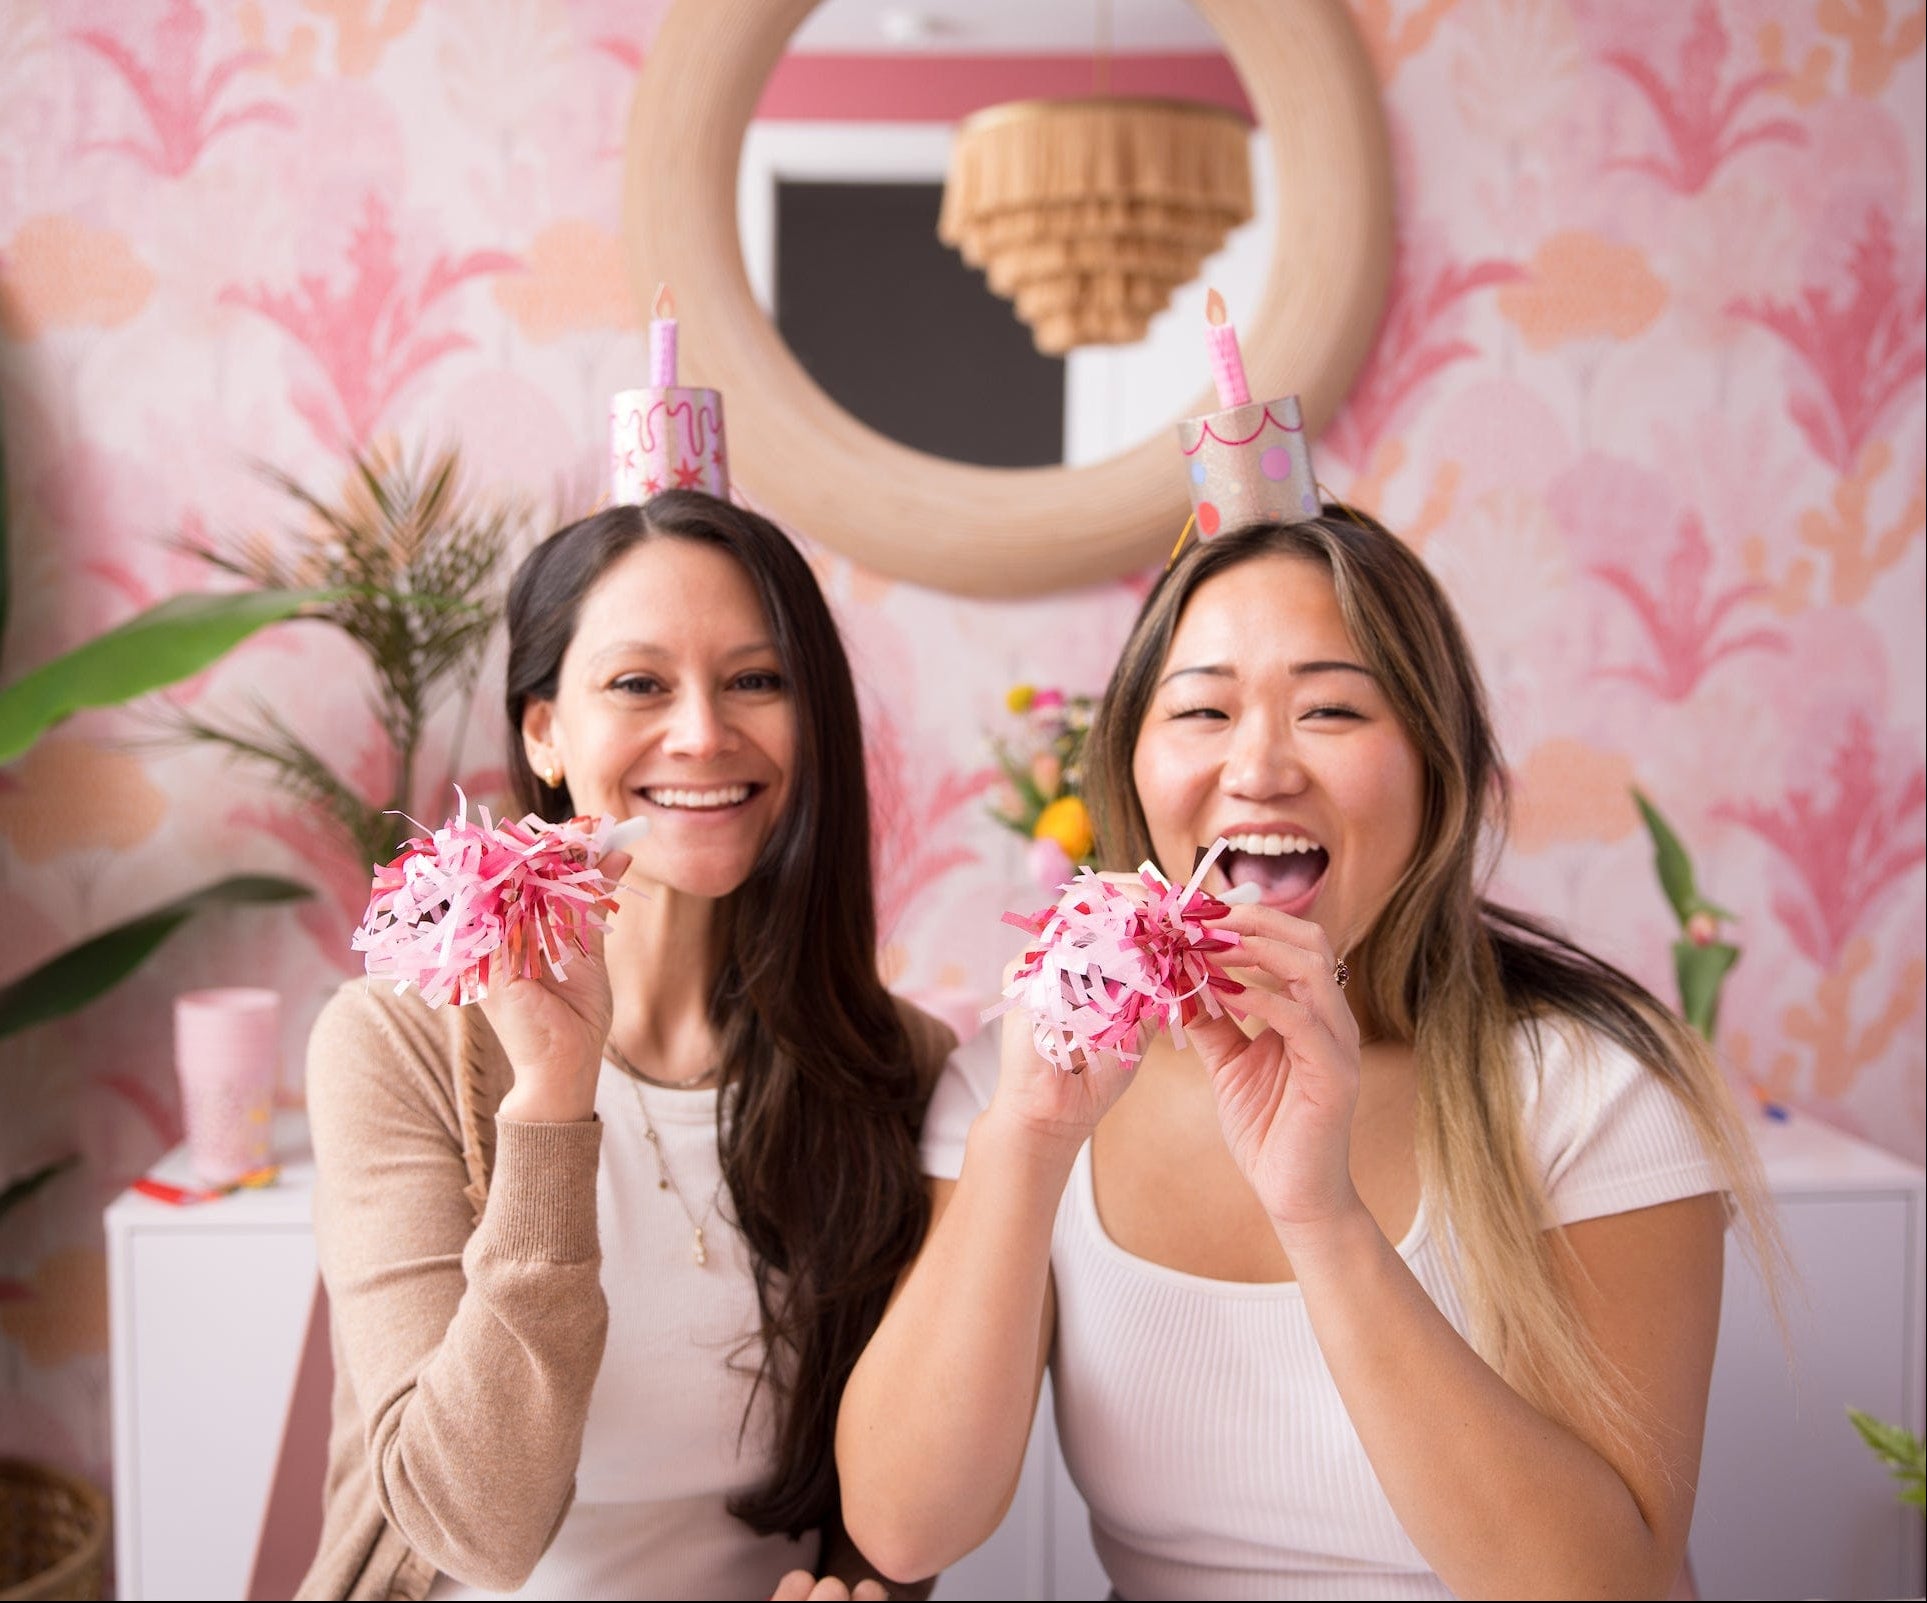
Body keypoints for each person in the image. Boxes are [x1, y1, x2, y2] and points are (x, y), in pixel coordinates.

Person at [836, 507, 1776, 1600]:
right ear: (1131, 766)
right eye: (1201, 710)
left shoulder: (1593, 1093)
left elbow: (1600, 1585)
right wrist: (1028, 1140)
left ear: (1439, 767)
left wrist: (1319, 1214)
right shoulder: (1024, 1084)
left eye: (1332, 707)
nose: (1260, 766)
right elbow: (904, 1529)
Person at [299, 490, 951, 1601]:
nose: (702, 731)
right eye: (638, 684)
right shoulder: (396, 1041)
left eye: (757, 679)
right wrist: (552, 1098)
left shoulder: (900, 1066)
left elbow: (896, 1495)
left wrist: (863, 1586)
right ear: (545, 730)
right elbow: (474, 1530)